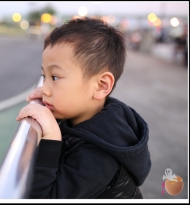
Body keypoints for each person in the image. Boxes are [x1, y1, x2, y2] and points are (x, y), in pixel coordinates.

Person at [16, 17, 151, 199]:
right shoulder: (85, 114)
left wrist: (52, 139)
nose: (45, 89)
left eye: (55, 77)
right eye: (44, 76)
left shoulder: (100, 157)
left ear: (101, 85)